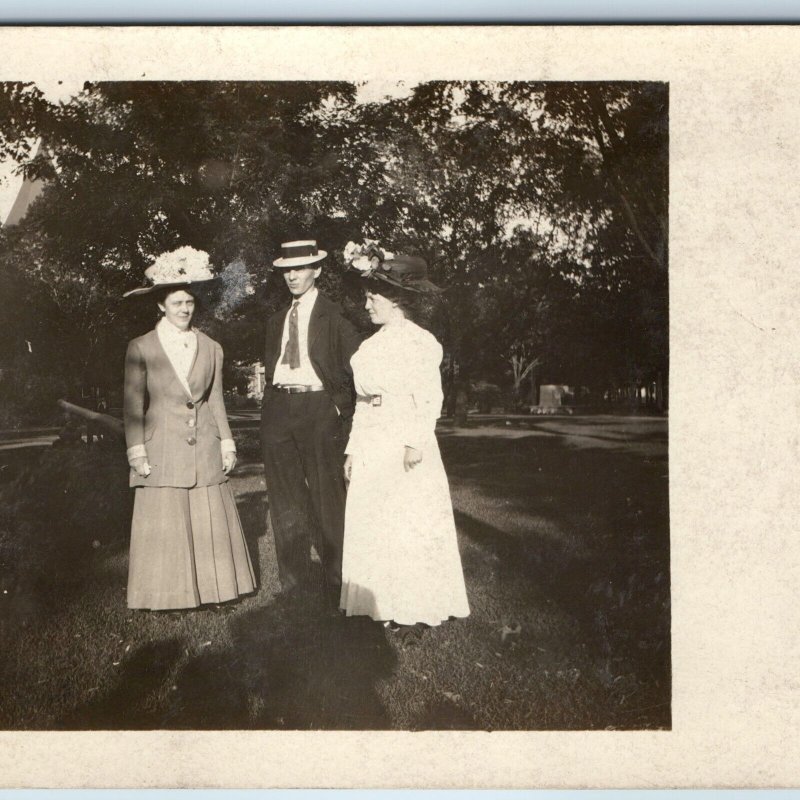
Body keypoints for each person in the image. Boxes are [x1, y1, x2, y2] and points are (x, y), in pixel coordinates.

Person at [339, 243, 470, 642]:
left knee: (408, 522)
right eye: (367, 298)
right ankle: (379, 604)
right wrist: (352, 449)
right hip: (373, 438)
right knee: (375, 521)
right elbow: (363, 403)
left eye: (373, 298)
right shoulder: (368, 347)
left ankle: (415, 610)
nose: (367, 306)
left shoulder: (420, 343)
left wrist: (416, 443)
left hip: (405, 438)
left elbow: (429, 398)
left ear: (395, 301)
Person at [122, 246, 256, 610]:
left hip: (204, 449)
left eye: (189, 303)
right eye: (177, 302)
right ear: (161, 306)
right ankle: (168, 599)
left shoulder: (211, 346)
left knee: (207, 517)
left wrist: (226, 441)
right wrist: (137, 449)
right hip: (161, 445)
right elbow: (133, 406)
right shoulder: (141, 347)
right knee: (167, 521)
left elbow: (215, 400)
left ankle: (218, 592)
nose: (184, 309)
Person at [261, 239, 362, 601]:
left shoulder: (335, 315)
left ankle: (339, 581)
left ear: (317, 270)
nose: (292, 275)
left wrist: (339, 409)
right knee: (285, 500)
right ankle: (294, 584)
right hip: (279, 410)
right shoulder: (275, 320)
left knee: (327, 497)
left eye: (300, 268)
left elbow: (358, 368)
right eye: (287, 270)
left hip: (320, 409)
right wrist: (270, 409)